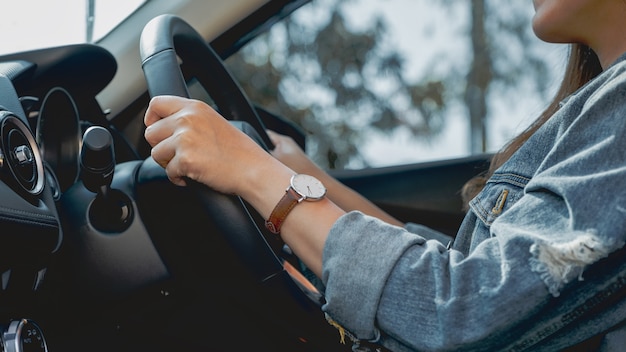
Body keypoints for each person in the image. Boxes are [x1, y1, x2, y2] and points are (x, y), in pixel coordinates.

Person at [143, 1, 626, 350]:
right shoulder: (592, 115)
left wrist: (254, 173)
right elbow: (459, 273)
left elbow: (460, 312)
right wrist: (306, 177)